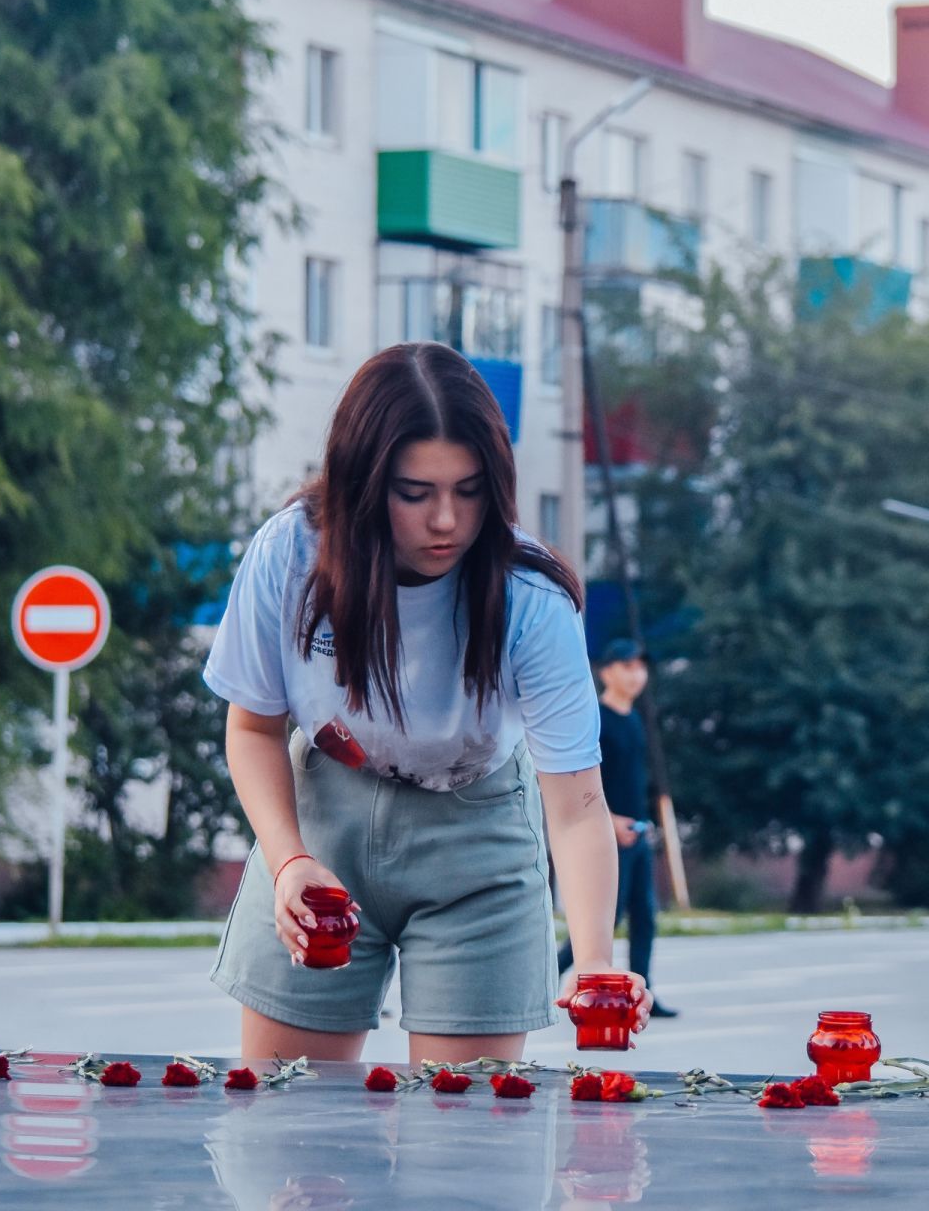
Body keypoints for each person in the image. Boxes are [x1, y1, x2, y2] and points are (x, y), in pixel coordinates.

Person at [202, 342, 649, 1066]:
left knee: (465, 1152)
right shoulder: (290, 555)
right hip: (322, 830)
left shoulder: (532, 599)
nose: (447, 520)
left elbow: (577, 804)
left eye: (469, 490)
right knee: (291, 1140)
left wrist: (594, 958)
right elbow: (252, 727)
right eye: (415, 493)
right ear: (363, 484)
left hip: (476, 842)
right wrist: (289, 863)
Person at [556, 638, 678, 1018]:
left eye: (641, 666)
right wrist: (609, 820)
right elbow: (581, 783)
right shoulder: (597, 718)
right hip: (606, 833)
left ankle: (645, 993)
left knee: (645, 915)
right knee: (601, 921)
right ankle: (542, 980)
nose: (637, 674)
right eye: (627, 666)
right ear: (606, 671)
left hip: (638, 832)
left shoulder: (634, 719)